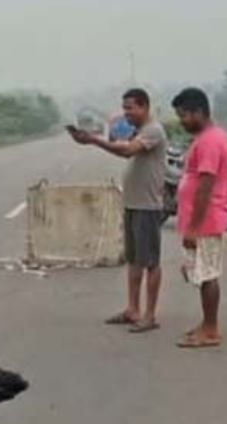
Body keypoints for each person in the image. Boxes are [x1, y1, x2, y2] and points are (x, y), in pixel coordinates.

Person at [68, 89, 168, 333]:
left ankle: (150, 315)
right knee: (134, 260)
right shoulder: (141, 131)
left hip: (147, 206)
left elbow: (127, 151)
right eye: (124, 108)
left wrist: (93, 140)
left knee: (151, 262)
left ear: (144, 107)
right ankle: (133, 309)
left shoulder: (153, 130)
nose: (126, 113)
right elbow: (126, 150)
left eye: (130, 108)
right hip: (133, 204)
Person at [171, 88, 227, 348]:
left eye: (184, 116)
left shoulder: (210, 141)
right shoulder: (208, 138)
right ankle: (207, 322)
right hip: (202, 221)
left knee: (208, 274)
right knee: (201, 272)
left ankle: (211, 329)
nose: (182, 121)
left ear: (198, 112)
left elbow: (205, 185)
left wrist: (194, 228)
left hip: (206, 221)